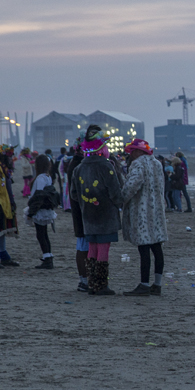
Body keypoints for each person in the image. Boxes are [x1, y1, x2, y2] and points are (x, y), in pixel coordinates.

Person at [70, 125, 125, 296]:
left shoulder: (79, 168)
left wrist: (86, 202)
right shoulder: (106, 166)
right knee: (103, 249)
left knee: (92, 248)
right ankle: (101, 284)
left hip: (88, 216)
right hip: (105, 215)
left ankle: (92, 283)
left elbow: (73, 193)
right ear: (102, 147)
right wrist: (119, 204)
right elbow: (116, 192)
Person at [121, 139, 168, 297]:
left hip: (142, 210)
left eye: (132, 151)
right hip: (157, 210)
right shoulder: (157, 163)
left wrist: (122, 199)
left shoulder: (138, 164)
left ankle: (144, 284)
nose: (131, 155)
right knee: (157, 247)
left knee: (144, 247)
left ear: (138, 151)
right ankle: (158, 284)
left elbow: (132, 185)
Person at [26, 154, 59, 269]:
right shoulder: (47, 177)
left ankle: (47, 259)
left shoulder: (40, 178)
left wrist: (31, 212)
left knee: (41, 235)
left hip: (40, 210)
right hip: (45, 209)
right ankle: (48, 257)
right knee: (44, 234)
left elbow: (38, 197)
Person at [64, 145, 89, 291]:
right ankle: (84, 280)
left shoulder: (75, 163)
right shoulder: (77, 165)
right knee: (83, 248)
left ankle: (84, 280)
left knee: (83, 247)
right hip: (81, 212)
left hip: (79, 212)